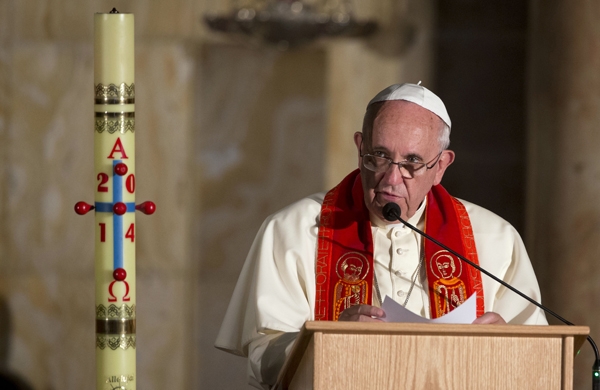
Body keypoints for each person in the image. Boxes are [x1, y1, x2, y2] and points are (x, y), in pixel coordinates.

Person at [215, 83, 547, 389]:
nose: (390, 180)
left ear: (441, 166)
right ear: (360, 147)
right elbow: (264, 361)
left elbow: (539, 364)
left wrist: (507, 346)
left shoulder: (495, 237)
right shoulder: (291, 230)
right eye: (380, 156)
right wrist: (327, 341)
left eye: (412, 162)